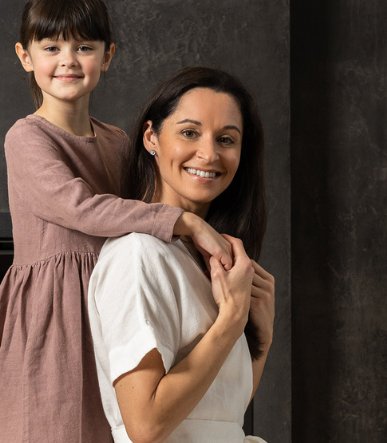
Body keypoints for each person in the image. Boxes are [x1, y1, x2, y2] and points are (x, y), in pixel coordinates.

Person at [0, 2, 234, 442]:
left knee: (115, 424)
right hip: (54, 311)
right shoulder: (27, 137)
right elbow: (80, 208)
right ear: (25, 56)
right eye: (52, 47)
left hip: (114, 301)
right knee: (54, 423)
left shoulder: (117, 141)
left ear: (107, 56)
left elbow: (143, 211)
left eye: (84, 47)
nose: (68, 61)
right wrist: (185, 223)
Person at [88, 66, 275, 443]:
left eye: (227, 139)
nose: (208, 153)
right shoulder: (137, 255)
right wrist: (232, 320)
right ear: (151, 137)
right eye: (189, 133)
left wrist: (262, 338)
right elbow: (146, 426)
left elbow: (222, 410)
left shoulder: (215, 263)